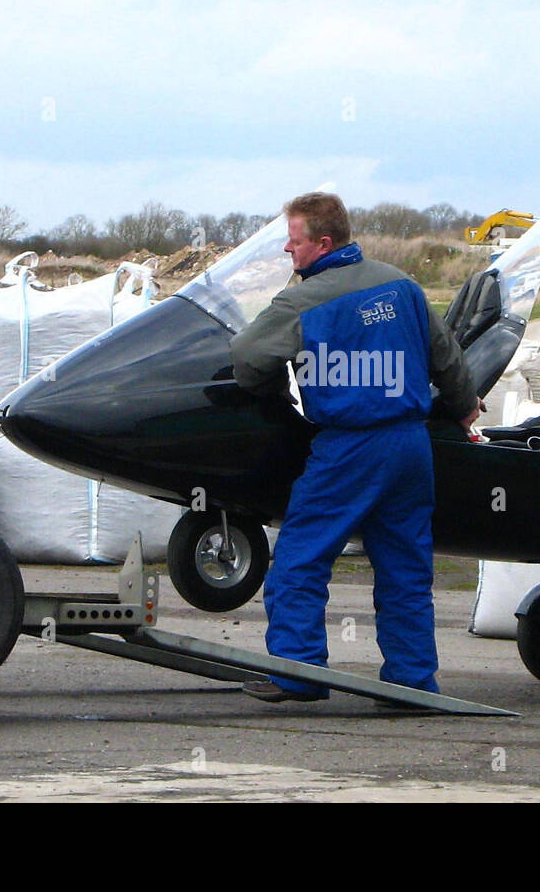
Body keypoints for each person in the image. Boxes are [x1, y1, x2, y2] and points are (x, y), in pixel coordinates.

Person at [229, 192, 480, 703]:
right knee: (405, 568)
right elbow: (448, 357)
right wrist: (463, 405)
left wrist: (275, 395)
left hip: (349, 447)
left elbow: (249, 357)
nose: (286, 250)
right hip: (411, 446)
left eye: (294, 241)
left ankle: (298, 673)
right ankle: (411, 682)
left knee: (302, 557)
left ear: (322, 243)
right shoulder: (402, 284)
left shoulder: (305, 299)